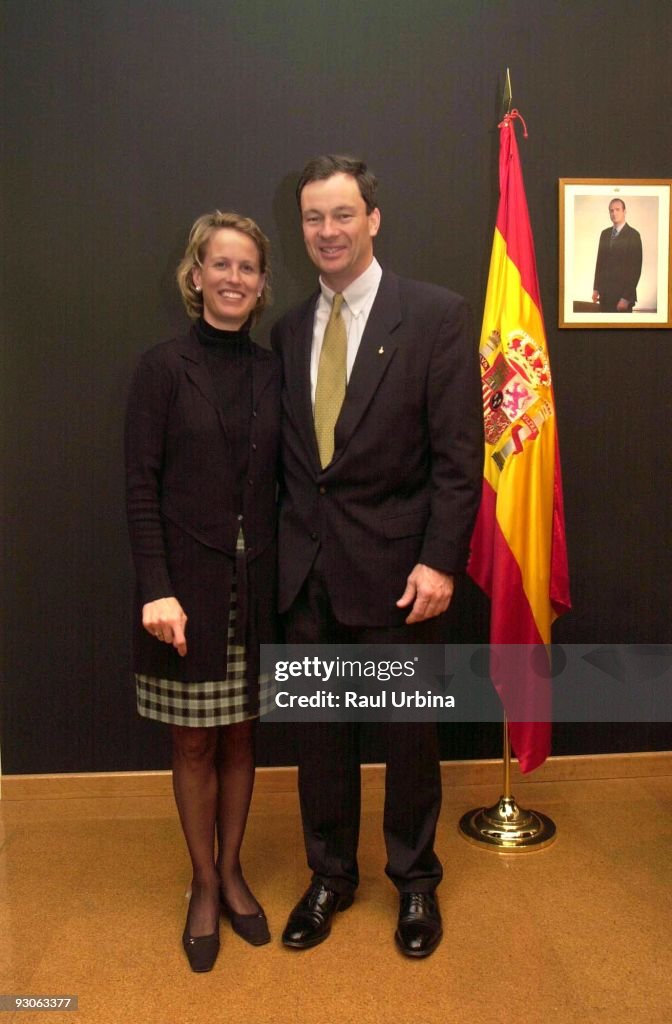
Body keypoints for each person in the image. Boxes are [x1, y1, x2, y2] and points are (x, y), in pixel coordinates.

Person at [271, 155, 483, 958]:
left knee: (406, 740)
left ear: (374, 218)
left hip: (401, 579)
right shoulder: (290, 329)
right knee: (320, 741)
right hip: (307, 580)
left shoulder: (434, 316)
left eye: (342, 214)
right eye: (314, 218)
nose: (327, 232)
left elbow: (460, 461)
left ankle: (415, 883)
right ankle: (329, 877)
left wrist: (439, 562)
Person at [125, 211, 280, 972]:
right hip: (186, 591)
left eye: (247, 268)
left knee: (245, 735)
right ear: (196, 276)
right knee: (193, 740)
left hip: (258, 589)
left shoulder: (273, 369)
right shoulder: (161, 369)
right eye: (219, 265)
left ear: (261, 284)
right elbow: (139, 488)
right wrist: (156, 588)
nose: (233, 279)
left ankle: (234, 868)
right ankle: (202, 882)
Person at [592, 198, 642, 312]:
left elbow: (635, 269)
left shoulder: (633, 235)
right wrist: (596, 288)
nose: (614, 213)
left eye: (617, 209)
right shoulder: (604, 234)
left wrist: (626, 298)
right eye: (611, 210)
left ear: (624, 211)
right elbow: (599, 263)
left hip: (623, 298)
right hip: (604, 296)